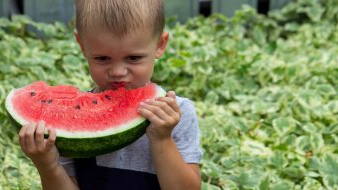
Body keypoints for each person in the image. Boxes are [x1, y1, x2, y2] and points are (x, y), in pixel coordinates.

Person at [18, 0, 203, 189]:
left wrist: (163, 139)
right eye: (102, 58)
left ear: (160, 45)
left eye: (133, 58)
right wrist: (47, 165)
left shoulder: (177, 114)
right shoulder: (71, 123)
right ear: (82, 45)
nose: (117, 72)